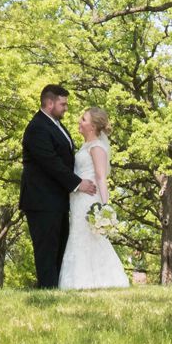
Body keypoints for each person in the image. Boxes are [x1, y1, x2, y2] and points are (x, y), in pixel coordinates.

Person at [19, 83, 93, 288]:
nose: (66, 108)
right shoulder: (37, 128)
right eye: (63, 104)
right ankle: (47, 290)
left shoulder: (55, 125)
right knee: (46, 250)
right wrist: (78, 183)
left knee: (60, 247)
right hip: (41, 200)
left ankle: (56, 289)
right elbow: (50, 162)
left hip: (57, 200)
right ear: (50, 103)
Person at [59, 105, 130, 289]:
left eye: (83, 119)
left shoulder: (97, 147)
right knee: (79, 237)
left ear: (92, 127)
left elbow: (100, 177)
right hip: (78, 199)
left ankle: (100, 280)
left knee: (89, 238)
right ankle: (78, 281)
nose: (79, 121)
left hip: (89, 200)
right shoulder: (85, 146)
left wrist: (105, 206)